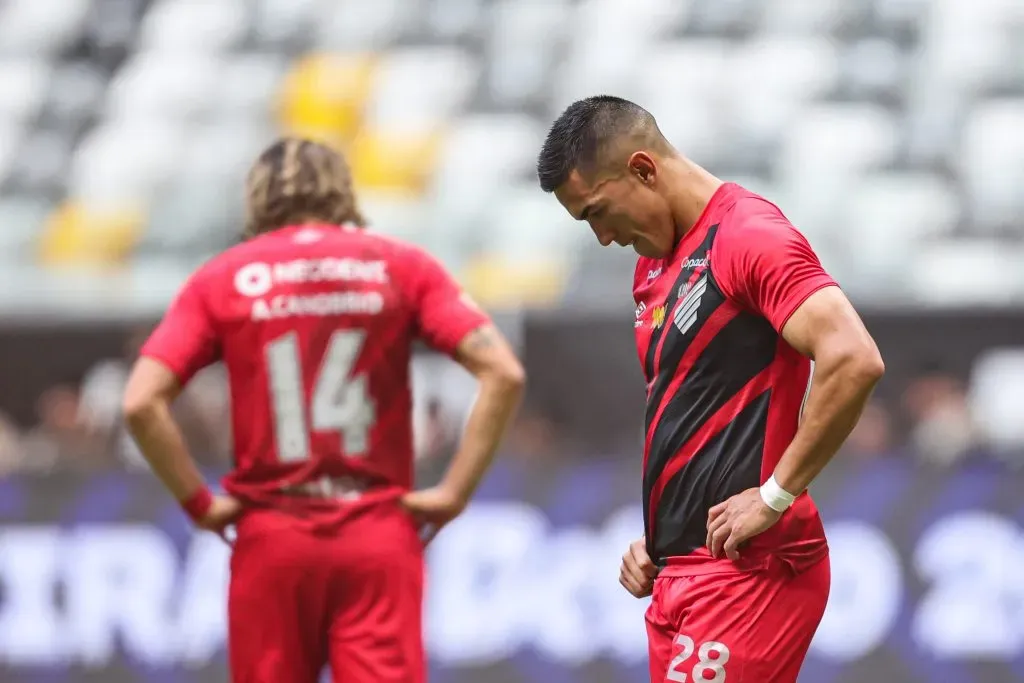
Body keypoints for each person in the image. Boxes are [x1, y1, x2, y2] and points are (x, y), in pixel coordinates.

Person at [122, 138, 525, 683]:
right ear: (341, 191)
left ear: (259, 197)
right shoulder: (400, 266)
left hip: (271, 535)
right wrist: (453, 493)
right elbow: (503, 371)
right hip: (376, 531)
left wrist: (199, 503)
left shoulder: (223, 277)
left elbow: (141, 401)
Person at [536, 96, 884, 683]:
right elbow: (695, 412)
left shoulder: (749, 235)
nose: (601, 237)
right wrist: (662, 536)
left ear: (644, 170)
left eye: (597, 212)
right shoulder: (652, 264)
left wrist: (774, 495)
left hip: (749, 572)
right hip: (681, 573)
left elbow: (853, 358)